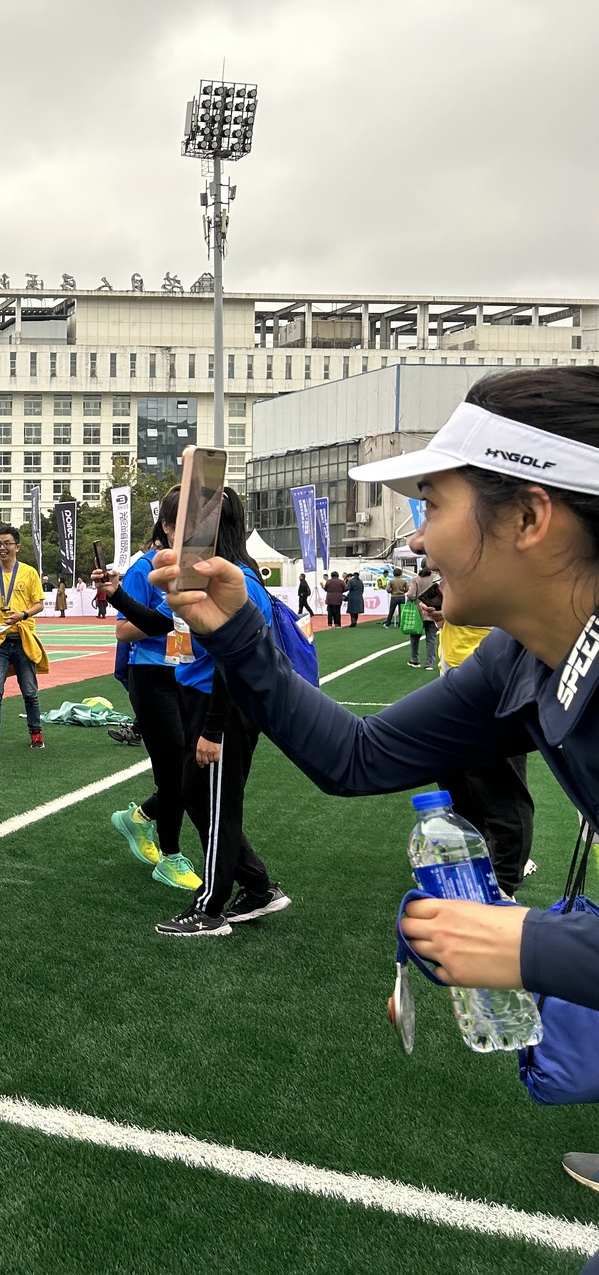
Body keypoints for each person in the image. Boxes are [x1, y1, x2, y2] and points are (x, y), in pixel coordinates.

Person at [148, 368, 599, 1223]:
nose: (417, 540)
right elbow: (356, 757)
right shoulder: (518, 657)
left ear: (530, 516)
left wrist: (530, 942)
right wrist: (238, 633)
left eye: (432, 505)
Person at [105, 488, 285, 934]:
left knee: (217, 807)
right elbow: (163, 623)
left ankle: (210, 909)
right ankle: (258, 887)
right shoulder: (204, 579)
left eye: (190, 525)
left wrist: (214, 728)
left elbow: (232, 662)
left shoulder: (239, 583)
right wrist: (117, 596)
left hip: (224, 707)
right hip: (200, 700)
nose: (179, 535)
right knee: (198, 799)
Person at [96, 502, 203, 891]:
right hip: (152, 674)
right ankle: (170, 857)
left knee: (189, 769)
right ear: (167, 526)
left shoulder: (192, 566)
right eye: (186, 523)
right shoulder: (145, 568)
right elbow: (123, 631)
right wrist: (169, 616)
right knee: (174, 770)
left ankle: (138, 818)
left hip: (188, 673)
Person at [423, 606, 537, 896]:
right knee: (458, 794)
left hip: (493, 696)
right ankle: (476, 865)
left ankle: (503, 886)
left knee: (501, 797)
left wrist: (462, 610)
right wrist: (446, 615)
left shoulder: (501, 589)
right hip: (453, 691)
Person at [0, 526, 49, 754]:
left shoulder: (29, 573)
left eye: (7, 543)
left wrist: (22, 614)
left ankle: (36, 733)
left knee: (30, 691)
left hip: (23, 638)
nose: (2, 548)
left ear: (17, 547)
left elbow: (39, 604)